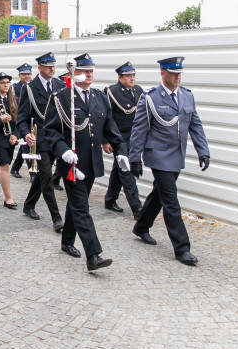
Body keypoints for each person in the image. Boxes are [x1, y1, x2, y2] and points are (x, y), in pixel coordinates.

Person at [44, 53, 126, 271]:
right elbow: (50, 131)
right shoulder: (62, 97)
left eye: (92, 71)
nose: (89, 74)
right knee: (82, 207)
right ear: (74, 73)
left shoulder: (100, 97)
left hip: (91, 163)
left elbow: (110, 129)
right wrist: (63, 151)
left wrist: (123, 152)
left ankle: (67, 241)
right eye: (84, 71)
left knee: (76, 204)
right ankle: (94, 255)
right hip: (72, 165)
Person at [129, 57, 210, 266]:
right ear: (163, 74)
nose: (178, 77)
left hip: (176, 155)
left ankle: (141, 226)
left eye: (180, 73)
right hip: (158, 156)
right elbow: (139, 128)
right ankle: (182, 248)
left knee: (160, 193)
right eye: (173, 73)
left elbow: (195, 125)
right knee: (171, 201)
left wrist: (203, 150)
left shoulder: (187, 96)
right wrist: (134, 157)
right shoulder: (151, 98)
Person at [16, 52, 65, 232]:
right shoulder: (29, 88)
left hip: (57, 139)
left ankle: (28, 205)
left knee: (43, 176)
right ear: (40, 68)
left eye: (53, 65)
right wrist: (26, 133)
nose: (52, 68)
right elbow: (21, 118)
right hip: (41, 139)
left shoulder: (60, 85)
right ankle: (57, 218)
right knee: (46, 177)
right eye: (48, 65)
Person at [102, 61, 143, 218]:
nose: (132, 79)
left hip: (134, 138)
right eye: (128, 76)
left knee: (118, 168)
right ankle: (137, 208)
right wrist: (105, 140)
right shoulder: (112, 92)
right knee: (127, 170)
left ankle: (110, 199)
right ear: (120, 77)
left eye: (133, 75)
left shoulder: (139, 91)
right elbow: (105, 117)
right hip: (118, 138)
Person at [0, 72, 18, 208]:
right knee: (4, 165)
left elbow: (18, 121)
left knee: (3, 164)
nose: (6, 85)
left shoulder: (13, 99)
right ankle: (8, 198)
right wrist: (0, 120)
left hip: (10, 138)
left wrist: (15, 135)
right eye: (3, 83)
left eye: (8, 82)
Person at [10, 63, 33, 179]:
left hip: (32, 120)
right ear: (20, 76)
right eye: (24, 74)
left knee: (24, 145)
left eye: (28, 74)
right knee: (26, 146)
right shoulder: (15, 88)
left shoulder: (33, 86)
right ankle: (32, 173)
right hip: (21, 120)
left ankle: (15, 168)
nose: (27, 77)